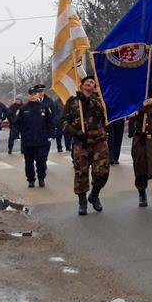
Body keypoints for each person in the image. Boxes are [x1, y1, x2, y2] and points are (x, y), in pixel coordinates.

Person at [60, 76, 110, 216]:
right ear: (81, 85)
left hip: (98, 141)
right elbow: (63, 122)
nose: (90, 84)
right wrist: (75, 132)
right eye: (87, 82)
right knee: (81, 173)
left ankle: (94, 195)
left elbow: (106, 117)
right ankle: (82, 202)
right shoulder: (72, 102)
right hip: (81, 142)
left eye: (93, 83)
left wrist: (93, 101)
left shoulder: (98, 101)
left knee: (102, 172)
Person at [13, 87, 55, 188]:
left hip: (42, 141)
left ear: (38, 95)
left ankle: (41, 178)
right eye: (31, 94)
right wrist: (16, 134)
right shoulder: (23, 109)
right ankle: (31, 179)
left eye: (35, 94)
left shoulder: (44, 107)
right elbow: (16, 123)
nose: (33, 96)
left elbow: (50, 122)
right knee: (29, 163)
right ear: (28, 96)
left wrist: (51, 134)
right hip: (28, 141)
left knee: (41, 161)